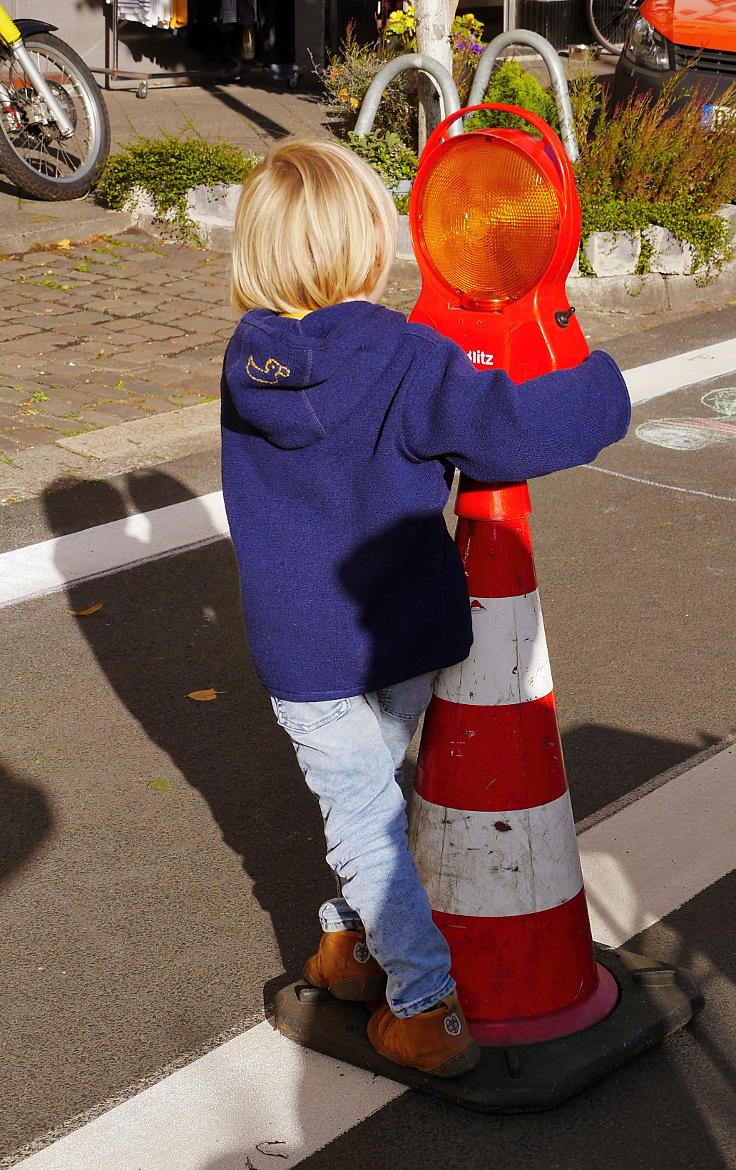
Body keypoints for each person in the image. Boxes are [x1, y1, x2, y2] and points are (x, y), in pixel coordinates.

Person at [220, 138, 631, 1078]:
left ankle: (358, 954)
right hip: (406, 631)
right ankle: (424, 1000)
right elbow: (505, 434)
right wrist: (601, 390)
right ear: (373, 246)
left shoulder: (247, 367)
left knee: (359, 811)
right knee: (372, 812)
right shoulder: (408, 359)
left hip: (302, 651)